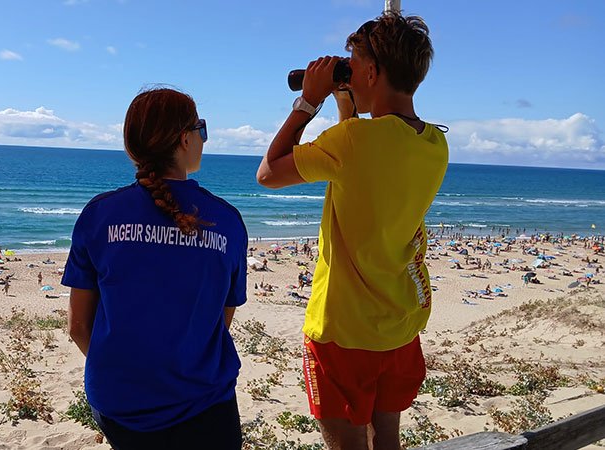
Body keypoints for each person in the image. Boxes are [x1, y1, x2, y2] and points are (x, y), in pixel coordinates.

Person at [256, 13, 447, 450]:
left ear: (372, 72)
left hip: (342, 328)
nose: (348, 71)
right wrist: (347, 101)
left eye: (353, 64)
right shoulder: (435, 143)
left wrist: (308, 102)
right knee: (387, 440)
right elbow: (363, 154)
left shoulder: (354, 142)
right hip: (399, 321)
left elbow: (268, 173)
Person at [62, 88, 246, 449]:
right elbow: (221, 318)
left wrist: (129, 375)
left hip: (121, 404)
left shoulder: (99, 215)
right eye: (202, 129)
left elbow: (78, 326)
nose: (203, 139)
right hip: (204, 402)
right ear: (185, 139)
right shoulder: (226, 222)